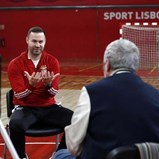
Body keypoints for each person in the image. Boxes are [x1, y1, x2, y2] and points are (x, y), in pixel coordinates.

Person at [53, 39, 159, 159]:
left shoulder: (91, 92)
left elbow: (73, 147)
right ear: (136, 66)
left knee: (61, 154)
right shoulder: (156, 95)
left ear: (107, 64)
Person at [7, 26, 73, 159]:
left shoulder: (52, 61)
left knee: (76, 121)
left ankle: (59, 154)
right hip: (25, 108)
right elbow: (18, 94)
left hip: (48, 108)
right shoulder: (15, 64)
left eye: (41, 42)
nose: (38, 45)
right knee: (15, 124)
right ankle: (20, 156)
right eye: (34, 41)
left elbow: (53, 92)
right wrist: (31, 86)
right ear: (27, 40)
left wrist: (48, 85)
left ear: (45, 42)